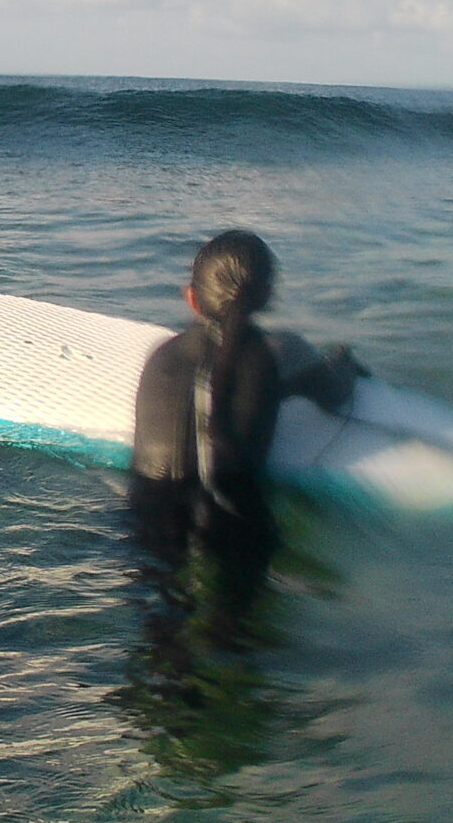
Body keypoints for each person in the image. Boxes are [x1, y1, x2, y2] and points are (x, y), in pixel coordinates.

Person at [128, 230, 362, 583]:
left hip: (138, 528)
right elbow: (335, 392)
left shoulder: (160, 357)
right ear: (266, 297)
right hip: (233, 537)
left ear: (191, 298)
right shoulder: (278, 354)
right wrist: (344, 360)